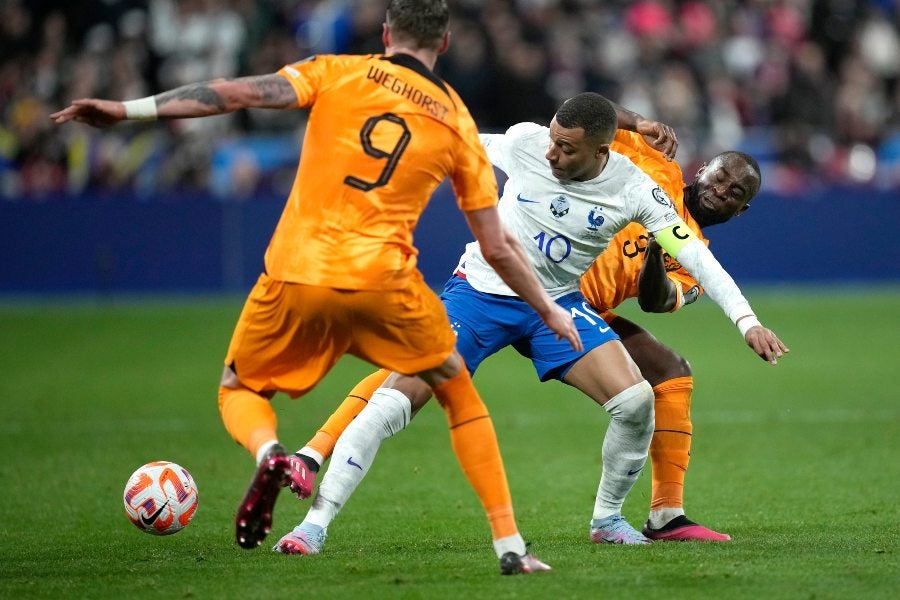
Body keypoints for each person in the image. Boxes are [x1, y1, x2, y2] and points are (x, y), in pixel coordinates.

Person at [50, 0, 582, 576]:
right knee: (458, 395)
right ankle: (509, 547)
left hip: (297, 272)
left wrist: (127, 111)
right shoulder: (453, 118)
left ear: (384, 33)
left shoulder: (337, 71)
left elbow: (232, 94)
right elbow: (497, 246)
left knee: (238, 388)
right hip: (385, 283)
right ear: (446, 43)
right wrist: (548, 309)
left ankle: (271, 452)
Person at [270, 92, 788, 556]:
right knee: (399, 394)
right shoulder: (537, 145)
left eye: (565, 148)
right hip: (483, 293)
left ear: (600, 152)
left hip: (561, 306)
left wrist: (747, 322)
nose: (551, 154)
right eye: (554, 141)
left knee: (639, 398)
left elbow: (695, 263)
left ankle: (613, 520)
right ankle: (315, 521)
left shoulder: (638, 192)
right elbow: (458, 137)